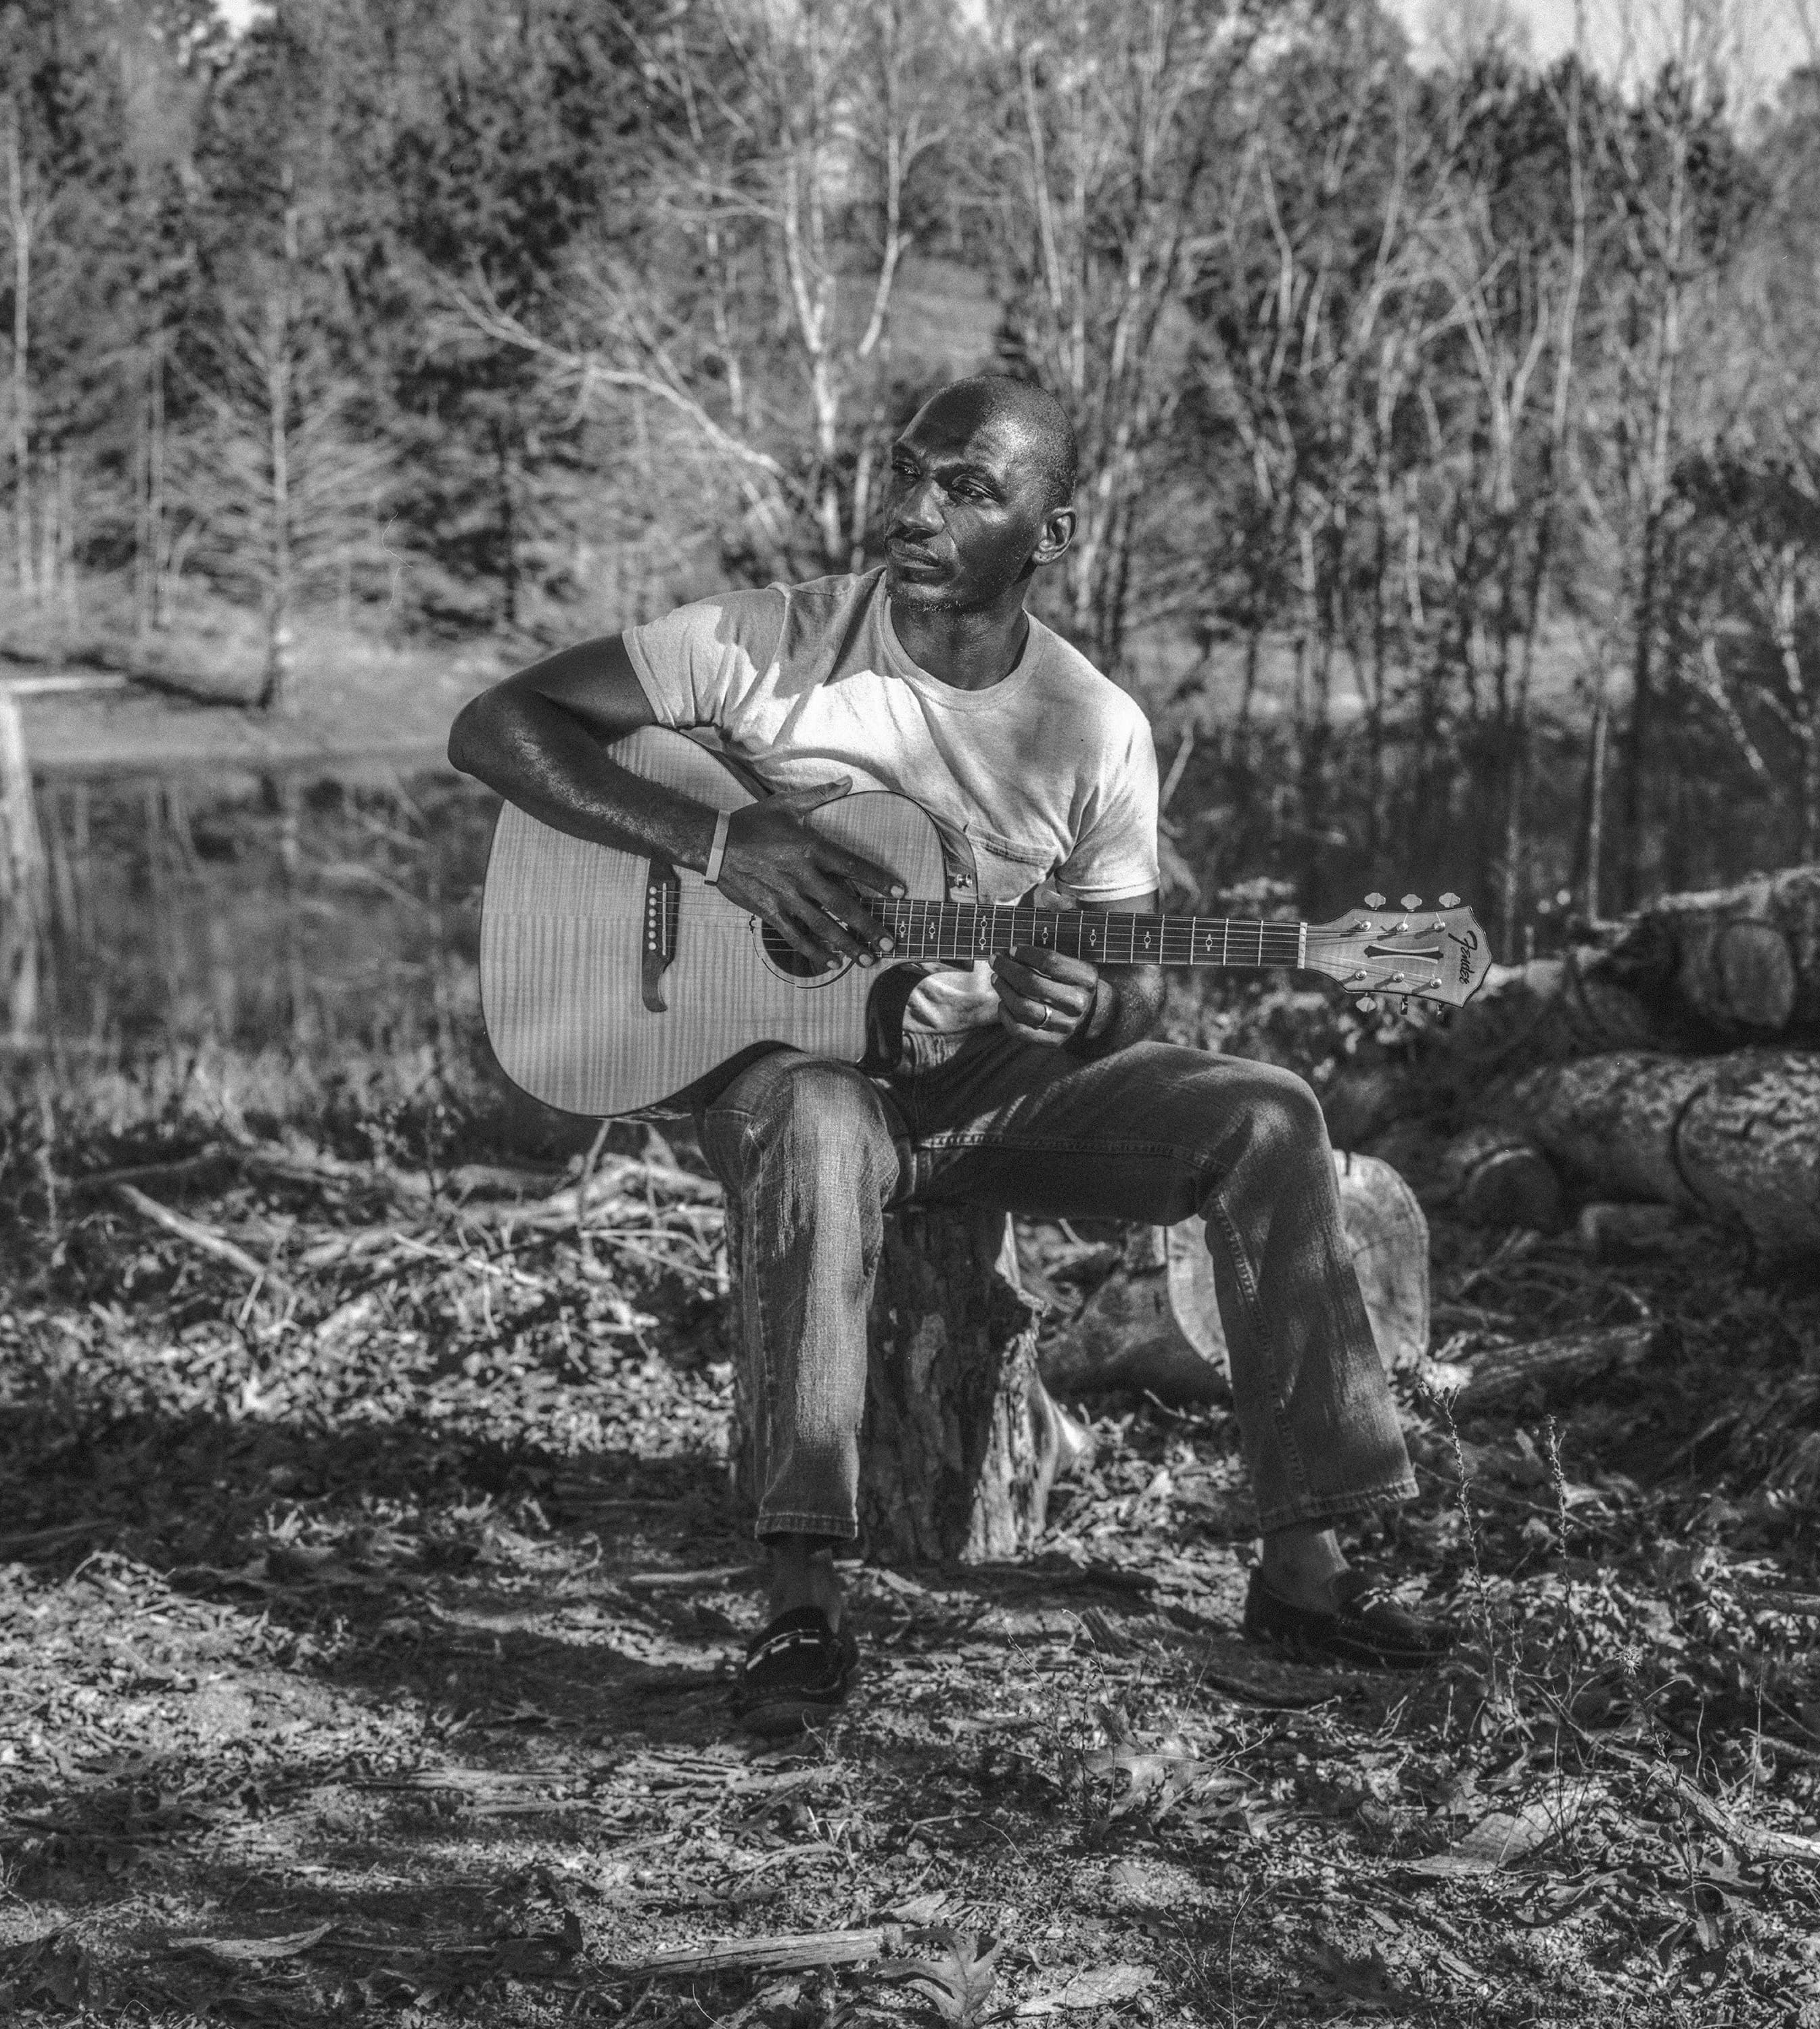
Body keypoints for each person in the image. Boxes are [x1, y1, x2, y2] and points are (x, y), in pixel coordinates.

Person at [448, 375, 1451, 1735]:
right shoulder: (759, 648)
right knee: (815, 1118)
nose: (916, 508)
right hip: (796, 1082)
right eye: (911, 471)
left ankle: (1309, 1570)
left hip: (989, 1098)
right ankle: (801, 1600)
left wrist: (1076, 1009)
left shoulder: (1094, 731)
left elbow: (1134, 989)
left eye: (967, 488)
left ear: (1054, 534)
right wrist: (719, 845)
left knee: (1268, 1111)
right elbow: (497, 727)